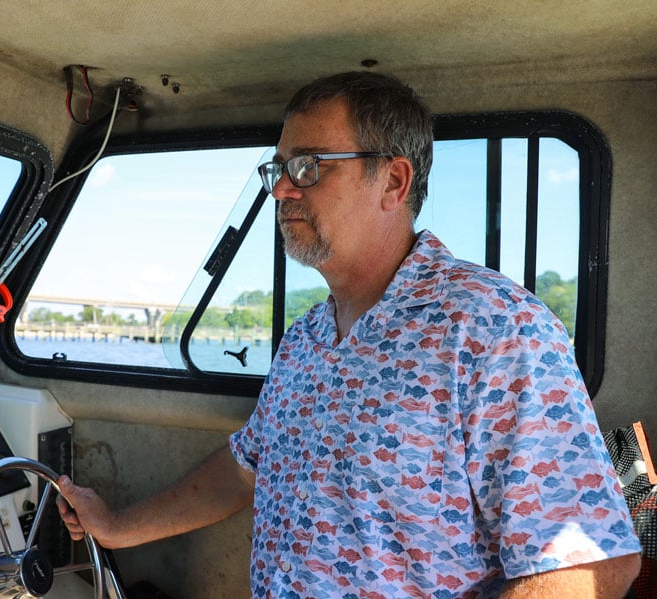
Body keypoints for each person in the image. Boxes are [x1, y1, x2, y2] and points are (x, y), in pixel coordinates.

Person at [56, 71, 642, 597]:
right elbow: (246, 467)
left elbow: (591, 568)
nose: (282, 188)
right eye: (279, 169)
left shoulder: (495, 329)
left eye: (308, 166)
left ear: (393, 180)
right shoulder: (307, 338)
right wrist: (116, 528)